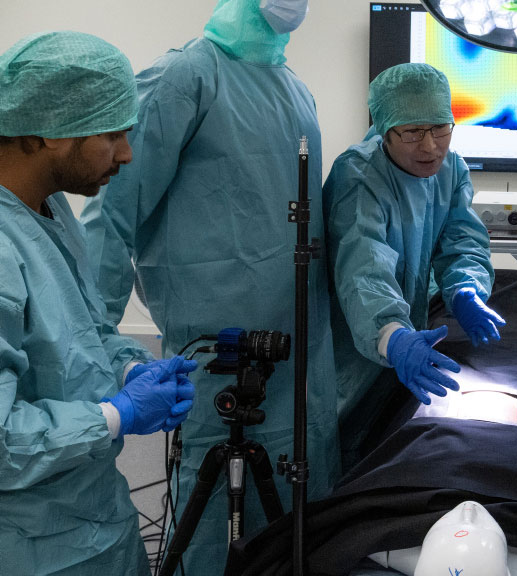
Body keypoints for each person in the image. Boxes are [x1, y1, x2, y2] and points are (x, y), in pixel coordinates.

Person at [79, 1, 340, 572]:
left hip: (297, 351)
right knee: (211, 524)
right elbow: (113, 213)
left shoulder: (296, 88)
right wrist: (89, 341)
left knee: (298, 523)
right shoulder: (186, 76)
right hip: (217, 348)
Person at [0, 31, 196, 574]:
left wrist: (133, 368)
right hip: (29, 546)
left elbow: (84, 331)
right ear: (47, 133)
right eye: (113, 134)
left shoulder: (49, 209)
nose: (128, 154)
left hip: (93, 518)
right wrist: (116, 415)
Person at [325, 63, 501, 467]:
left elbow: (460, 240)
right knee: (340, 449)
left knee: (388, 444)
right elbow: (362, 268)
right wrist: (389, 333)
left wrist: (465, 289)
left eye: (441, 128)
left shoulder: (451, 169)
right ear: (385, 130)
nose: (430, 147)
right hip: (352, 340)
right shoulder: (359, 174)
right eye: (413, 132)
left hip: (407, 329)